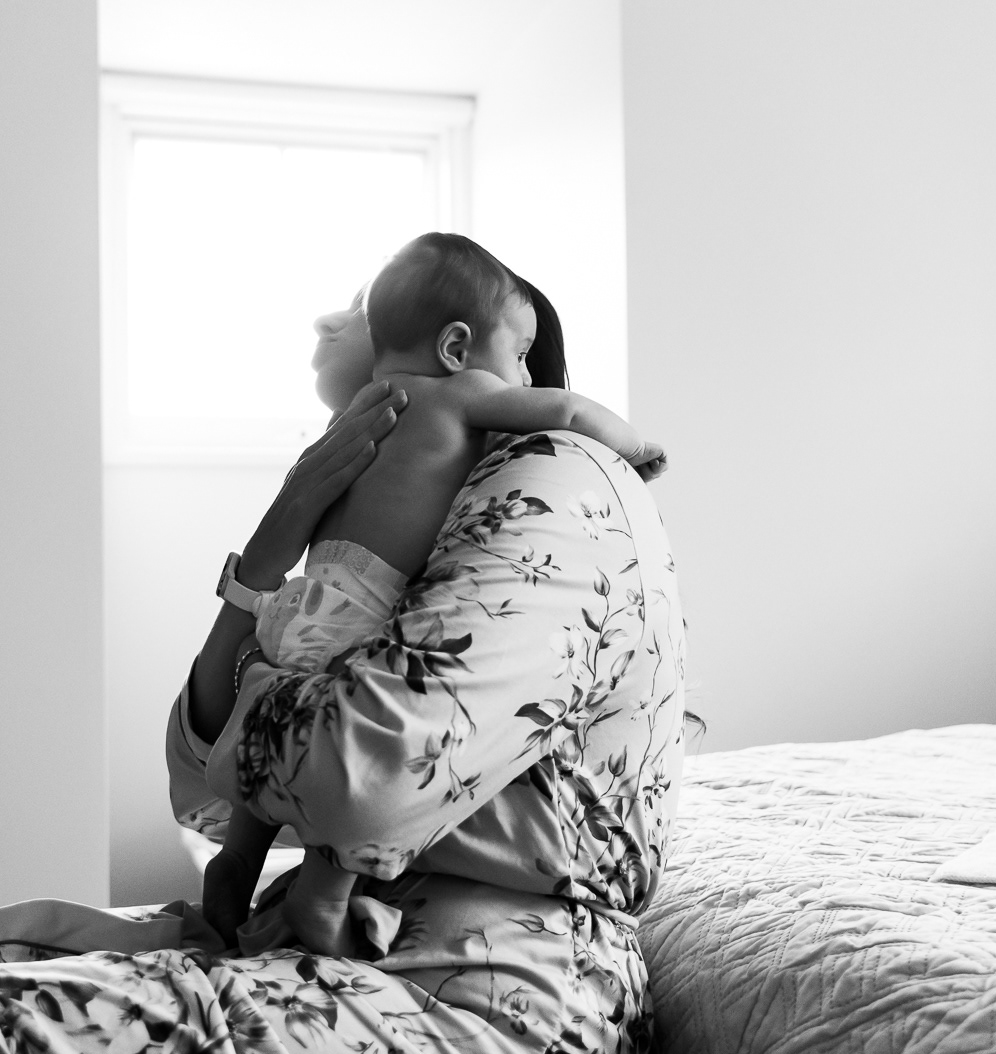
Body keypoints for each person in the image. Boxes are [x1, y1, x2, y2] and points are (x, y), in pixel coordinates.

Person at [0, 274, 687, 1054]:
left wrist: (266, 716)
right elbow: (199, 782)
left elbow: (364, 774)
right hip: (321, 935)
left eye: (353, 301)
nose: (326, 318)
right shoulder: (361, 505)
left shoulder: (555, 474)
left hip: (484, 1000)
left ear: (457, 346)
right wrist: (274, 537)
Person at [204, 234, 667, 953]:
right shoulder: (464, 395)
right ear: (456, 347)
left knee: (279, 730)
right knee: (351, 754)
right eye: (516, 354)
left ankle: (237, 859)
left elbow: (208, 734)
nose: (520, 373)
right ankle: (324, 887)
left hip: (304, 601)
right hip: (369, 612)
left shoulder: (349, 427)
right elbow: (572, 413)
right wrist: (637, 450)